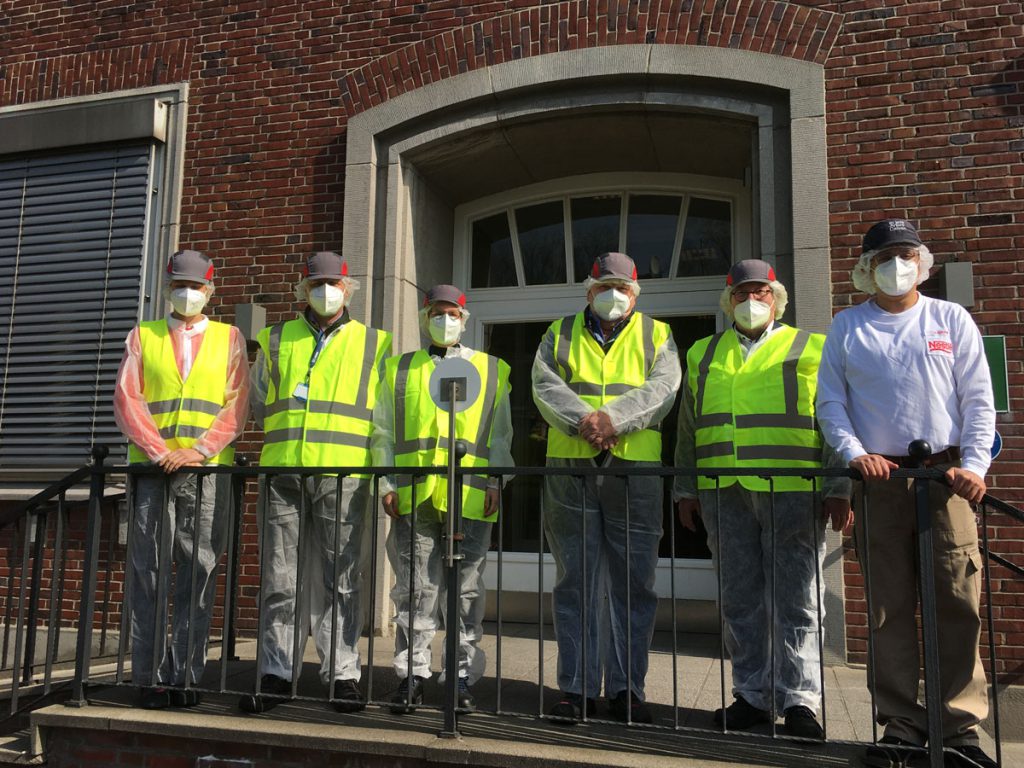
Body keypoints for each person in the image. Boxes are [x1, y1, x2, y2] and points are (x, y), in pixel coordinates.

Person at [816, 219, 997, 768]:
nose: (896, 265)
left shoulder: (950, 319)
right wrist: (854, 454)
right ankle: (900, 725)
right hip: (881, 481)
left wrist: (972, 464)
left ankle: (961, 728)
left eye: (905, 254)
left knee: (957, 601)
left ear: (922, 262)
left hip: (946, 484)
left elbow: (979, 400)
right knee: (888, 609)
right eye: (884, 256)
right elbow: (831, 405)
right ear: (867, 267)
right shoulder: (847, 327)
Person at [673, 259, 852, 739]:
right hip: (722, 491)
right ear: (728, 300)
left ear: (777, 300)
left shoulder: (811, 346)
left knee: (798, 600)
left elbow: (833, 421)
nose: (752, 301)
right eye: (741, 293)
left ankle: (801, 701)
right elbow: (689, 428)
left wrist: (838, 485)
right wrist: (685, 487)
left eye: (762, 293)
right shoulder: (702, 354)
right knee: (740, 598)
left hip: (793, 489)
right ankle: (751, 695)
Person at [532, 252, 681, 724]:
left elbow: (664, 388)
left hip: (634, 469)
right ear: (588, 290)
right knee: (574, 582)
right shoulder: (557, 332)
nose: (613, 294)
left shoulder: (658, 333)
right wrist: (586, 422)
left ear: (635, 293)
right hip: (570, 467)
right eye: (604, 286)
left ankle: (626, 690)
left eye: (622, 286)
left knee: (634, 584)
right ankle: (573, 690)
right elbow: (543, 385)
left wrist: (613, 419)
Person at [243, 251, 392, 714]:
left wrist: (383, 476)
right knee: (279, 578)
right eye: (317, 283)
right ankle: (276, 672)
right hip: (284, 470)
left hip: (344, 474)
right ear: (303, 289)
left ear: (349, 290)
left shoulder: (376, 344)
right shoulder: (275, 337)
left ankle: (342, 674)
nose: (326, 291)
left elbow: (384, 421)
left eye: (334, 283)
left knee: (342, 580)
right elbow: (258, 402)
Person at [114, 249, 249, 709]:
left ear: (210, 291)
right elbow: (128, 399)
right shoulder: (143, 335)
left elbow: (237, 404)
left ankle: (185, 677)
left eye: (195, 286)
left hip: (207, 471)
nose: (187, 293)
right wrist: (161, 452)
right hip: (153, 471)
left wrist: (198, 450)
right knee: (148, 575)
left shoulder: (230, 338)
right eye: (178, 285)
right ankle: (148, 679)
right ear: (167, 287)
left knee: (200, 574)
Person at [371, 284, 513, 714]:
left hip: (469, 498)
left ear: (464, 319)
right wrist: (387, 484)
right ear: (424, 315)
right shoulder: (398, 369)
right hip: (415, 497)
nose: (444, 319)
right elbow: (382, 433)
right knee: (415, 591)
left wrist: (495, 482)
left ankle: (461, 677)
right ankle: (411, 675)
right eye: (437, 312)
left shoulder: (491, 369)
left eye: (452, 313)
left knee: (465, 592)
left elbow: (500, 433)